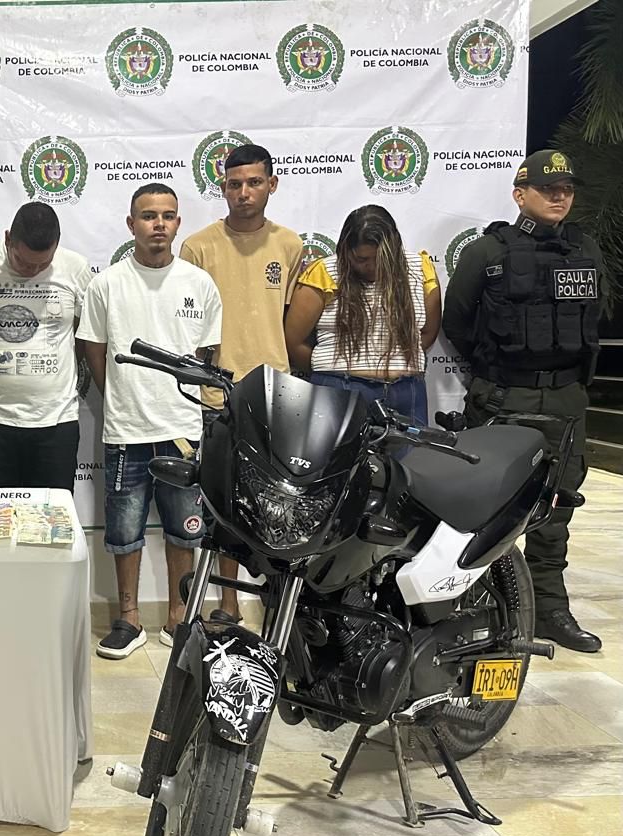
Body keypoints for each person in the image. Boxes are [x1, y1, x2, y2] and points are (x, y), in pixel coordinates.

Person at [443, 150, 604, 654]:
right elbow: (457, 324)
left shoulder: (587, 251)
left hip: (565, 401)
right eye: (547, 188)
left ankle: (551, 612)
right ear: (520, 194)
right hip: (503, 399)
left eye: (566, 189)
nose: (559, 196)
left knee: (556, 512)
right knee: (488, 514)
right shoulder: (485, 253)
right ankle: (476, 614)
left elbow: (594, 322)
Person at [77, 183, 223, 659]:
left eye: (167, 215)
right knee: (123, 532)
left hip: (182, 430)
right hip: (126, 431)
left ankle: (180, 617)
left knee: (186, 529)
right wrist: (123, 396)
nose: (158, 224)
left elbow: (206, 355)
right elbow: (95, 353)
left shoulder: (198, 284)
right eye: (147, 216)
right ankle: (128, 619)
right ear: (131, 224)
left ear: (178, 223)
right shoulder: (106, 285)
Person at [178, 144, 304, 626]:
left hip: (277, 396)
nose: (243, 192)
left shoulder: (290, 246)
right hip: (217, 395)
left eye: (254, 182)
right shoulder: (199, 247)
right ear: (222, 187)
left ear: (272, 184)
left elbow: (295, 323)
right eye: (234, 184)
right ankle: (228, 603)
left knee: (280, 508)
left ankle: (279, 605)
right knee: (224, 508)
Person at [0, 202, 91, 490]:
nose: (33, 270)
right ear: (7, 239)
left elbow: (81, 335)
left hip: (56, 421)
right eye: (24, 262)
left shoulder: (75, 268)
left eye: (44, 263)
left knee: (52, 524)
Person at [285, 204, 441, 424]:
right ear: (346, 251)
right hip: (341, 389)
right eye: (361, 260)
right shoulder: (323, 273)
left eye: (380, 259)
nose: (372, 267)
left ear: (394, 249)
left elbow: (428, 332)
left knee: (412, 459)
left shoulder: (420, 269)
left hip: (407, 391)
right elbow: (294, 341)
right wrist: (331, 372)